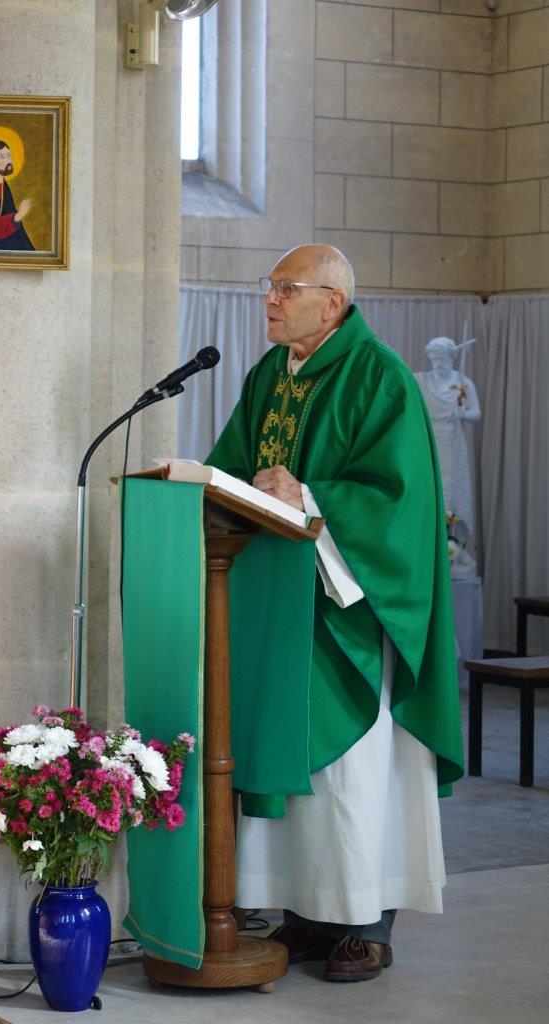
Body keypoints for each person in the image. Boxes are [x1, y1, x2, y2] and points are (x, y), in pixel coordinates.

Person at [205, 244, 464, 982]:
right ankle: (305, 915)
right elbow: (233, 470)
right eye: (271, 286)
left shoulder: (379, 377)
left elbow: (398, 503)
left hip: (347, 611)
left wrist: (310, 496)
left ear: (335, 303)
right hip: (277, 606)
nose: (271, 300)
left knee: (352, 775)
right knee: (294, 772)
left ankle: (365, 924)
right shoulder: (268, 376)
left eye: (288, 288)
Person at [415, 337, 481, 538]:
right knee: (429, 490)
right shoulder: (422, 381)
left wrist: (464, 414)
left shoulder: (463, 382)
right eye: (434, 359)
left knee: (452, 492)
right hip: (429, 442)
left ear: (451, 357)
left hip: (452, 444)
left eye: (442, 358)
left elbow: (476, 412)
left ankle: (453, 542)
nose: (438, 363)